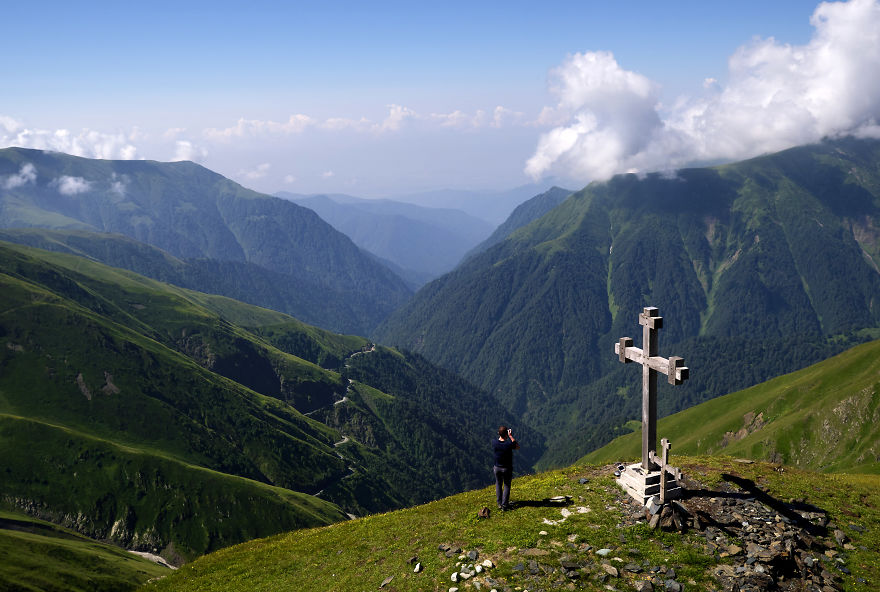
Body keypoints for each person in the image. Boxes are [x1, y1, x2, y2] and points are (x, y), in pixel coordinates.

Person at [492, 425, 519, 511]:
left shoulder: (494, 442)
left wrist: (503, 434)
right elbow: (517, 446)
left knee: (498, 484)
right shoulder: (508, 444)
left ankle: (499, 503)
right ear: (507, 434)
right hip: (507, 468)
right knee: (507, 485)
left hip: (497, 468)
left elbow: (498, 439)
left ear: (498, 433)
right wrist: (510, 436)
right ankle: (505, 505)